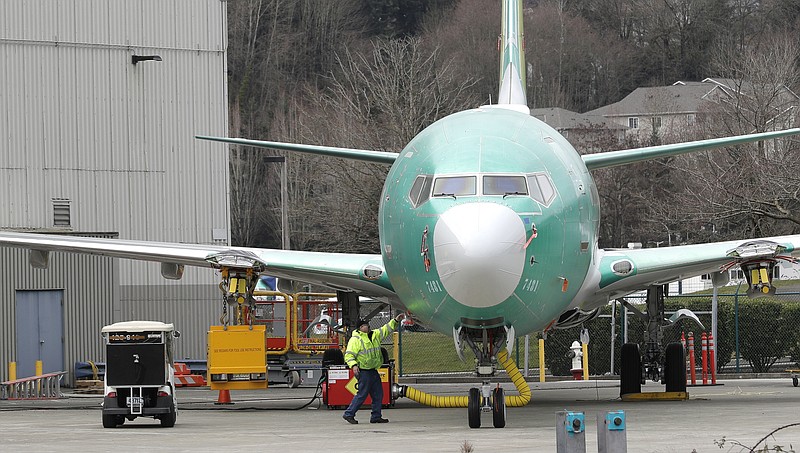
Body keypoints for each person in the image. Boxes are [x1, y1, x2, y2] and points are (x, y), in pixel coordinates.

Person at [342, 313, 404, 424]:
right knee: (362, 394)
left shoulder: (374, 335)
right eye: (366, 325)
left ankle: (376, 416)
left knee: (378, 394)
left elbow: (386, 329)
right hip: (364, 371)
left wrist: (395, 320)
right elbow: (349, 355)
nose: (368, 326)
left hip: (373, 370)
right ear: (361, 328)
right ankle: (349, 414)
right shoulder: (355, 339)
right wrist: (354, 366)